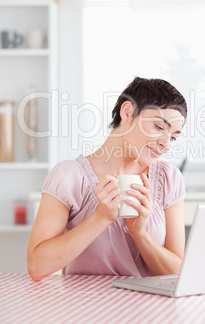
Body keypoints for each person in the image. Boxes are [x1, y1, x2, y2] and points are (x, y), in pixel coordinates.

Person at [27, 77, 187, 282]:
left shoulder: (168, 178)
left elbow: (176, 272)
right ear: (128, 112)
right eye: (158, 127)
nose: (166, 143)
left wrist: (139, 233)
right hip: (84, 310)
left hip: (149, 311)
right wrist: (101, 217)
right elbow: (37, 266)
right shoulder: (68, 176)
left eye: (173, 137)